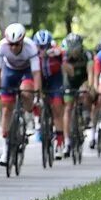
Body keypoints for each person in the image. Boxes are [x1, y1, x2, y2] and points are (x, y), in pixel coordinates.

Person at [0, 23, 41, 166]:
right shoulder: (1, 47)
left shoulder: (30, 47)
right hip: (10, 71)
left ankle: (29, 115)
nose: (13, 47)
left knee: (26, 91)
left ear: (22, 41)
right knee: (7, 108)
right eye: (11, 45)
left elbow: (36, 73)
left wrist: (36, 94)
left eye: (17, 44)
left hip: (26, 71)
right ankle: (5, 149)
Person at [61, 33, 93, 156]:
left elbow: (90, 71)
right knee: (68, 108)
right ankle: (67, 141)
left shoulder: (87, 54)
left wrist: (89, 85)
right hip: (70, 81)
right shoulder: (64, 56)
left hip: (83, 79)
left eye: (76, 47)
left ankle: (86, 113)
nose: (74, 50)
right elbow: (67, 73)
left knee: (86, 92)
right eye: (71, 47)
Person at [35, 29, 65, 159]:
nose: (42, 50)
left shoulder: (55, 51)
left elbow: (64, 53)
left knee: (57, 109)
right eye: (39, 47)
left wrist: (55, 52)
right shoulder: (32, 52)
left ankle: (59, 143)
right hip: (40, 79)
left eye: (45, 47)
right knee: (37, 100)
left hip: (55, 81)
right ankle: (39, 123)